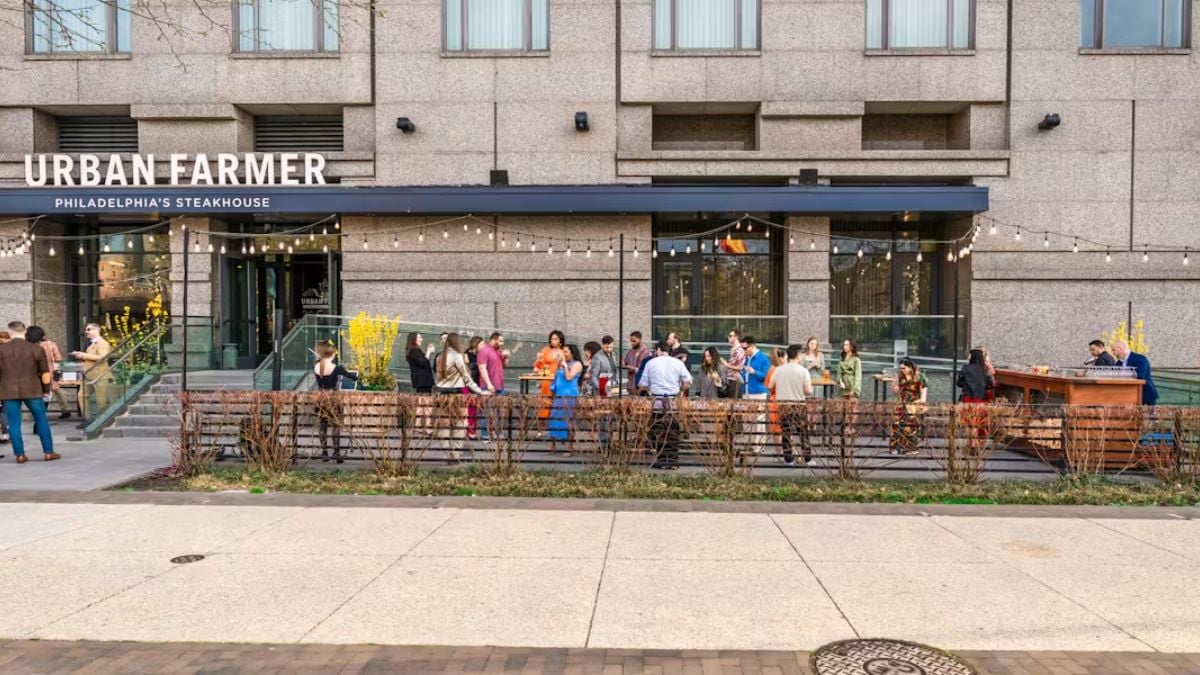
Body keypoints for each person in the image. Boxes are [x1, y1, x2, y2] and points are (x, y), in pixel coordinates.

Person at [0, 321, 57, 463]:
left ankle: (19, 455)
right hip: (33, 389)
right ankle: (48, 452)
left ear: (10, 332)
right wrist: (46, 390)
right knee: (41, 420)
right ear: (24, 332)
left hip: (8, 391)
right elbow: (45, 373)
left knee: (13, 423)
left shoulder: (2, 349)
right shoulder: (36, 349)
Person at [638, 340, 693, 469]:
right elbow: (688, 381)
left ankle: (661, 460)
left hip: (657, 402)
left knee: (659, 431)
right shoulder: (678, 363)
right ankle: (673, 461)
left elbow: (642, 384)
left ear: (658, 350)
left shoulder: (651, 363)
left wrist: (650, 388)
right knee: (673, 432)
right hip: (673, 402)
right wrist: (680, 389)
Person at [434, 332, 489, 462]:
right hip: (456, 394)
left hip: (442, 394)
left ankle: (447, 453)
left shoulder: (440, 357)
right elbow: (466, 378)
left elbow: (438, 377)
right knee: (461, 423)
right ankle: (455, 452)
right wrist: (480, 391)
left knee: (444, 424)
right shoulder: (457, 356)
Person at [313, 341, 357, 463]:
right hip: (333, 399)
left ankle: (324, 453)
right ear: (331, 354)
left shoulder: (316, 366)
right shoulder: (336, 368)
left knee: (323, 425)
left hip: (320, 398)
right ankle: (336, 453)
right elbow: (353, 377)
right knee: (335, 426)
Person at [770, 344, 814, 465]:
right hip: (799, 404)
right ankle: (808, 458)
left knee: (786, 432)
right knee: (803, 432)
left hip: (784, 405)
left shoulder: (779, 370)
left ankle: (788, 459)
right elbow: (808, 391)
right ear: (798, 355)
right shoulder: (803, 371)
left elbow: (770, 386)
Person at [26, 326, 71, 420]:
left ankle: (40, 412)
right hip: (50, 370)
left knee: (41, 391)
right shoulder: (51, 344)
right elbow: (58, 358)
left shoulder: (30, 346)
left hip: (34, 371)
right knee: (56, 389)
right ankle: (66, 409)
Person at [70, 323, 111, 421]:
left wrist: (83, 355)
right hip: (89, 375)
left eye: (89, 329)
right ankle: (87, 419)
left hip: (100, 375)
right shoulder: (92, 344)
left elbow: (102, 357)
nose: (86, 332)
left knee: (102, 400)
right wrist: (81, 356)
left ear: (97, 330)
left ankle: (103, 421)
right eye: (86, 329)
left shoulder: (103, 343)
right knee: (81, 396)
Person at [549, 344, 584, 452]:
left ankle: (570, 446)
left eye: (566, 352)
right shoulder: (562, 363)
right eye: (563, 351)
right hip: (559, 394)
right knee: (554, 417)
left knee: (568, 419)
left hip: (570, 395)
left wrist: (564, 365)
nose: (563, 354)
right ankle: (553, 444)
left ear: (572, 353)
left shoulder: (577, 364)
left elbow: (569, 377)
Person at [890, 358, 928, 456]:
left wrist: (922, 402)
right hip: (901, 403)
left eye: (904, 368)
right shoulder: (900, 376)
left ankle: (910, 447)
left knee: (910, 425)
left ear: (910, 367)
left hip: (913, 403)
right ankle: (895, 447)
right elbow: (896, 391)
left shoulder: (919, 376)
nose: (902, 370)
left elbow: (924, 390)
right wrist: (894, 386)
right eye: (900, 368)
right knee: (896, 423)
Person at [740, 336, 771, 455]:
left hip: (758, 392)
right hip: (747, 391)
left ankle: (758, 446)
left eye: (745, 348)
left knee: (759, 419)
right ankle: (749, 444)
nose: (744, 350)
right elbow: (744, 373)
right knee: (747, 419)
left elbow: (766, 376)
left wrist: (754, 372)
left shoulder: (763, 358)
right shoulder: (746, 358)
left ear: (752, 346)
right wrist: (740, 376)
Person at [957, 348, 994, 439]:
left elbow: (959, 383)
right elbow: (990, 385)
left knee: (969, 423)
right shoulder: (985, 369)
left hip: (968, 399)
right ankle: (978, 444)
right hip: (981, 400)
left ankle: (970, 443)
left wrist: (966, 384)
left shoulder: (966, 368)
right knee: (980, 424)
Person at [1111, 340, 1158, 406]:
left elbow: (1140, 376)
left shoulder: (1140, 359)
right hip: (1127, 396)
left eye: (1114, 350)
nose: (1113, 353)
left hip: (1145, 396)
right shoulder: (1119, 362)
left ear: (1120, 348)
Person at [534, 330, 566, 419]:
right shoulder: (545, 350)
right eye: (552, 339)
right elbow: (538, 365)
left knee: (558, 401)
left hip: (560, 379)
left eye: (556, 339)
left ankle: (556, 421)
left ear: (560, 340)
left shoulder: (564, 350)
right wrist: (540, 362)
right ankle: (543, 421)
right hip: (547, 379)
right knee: (545, 400)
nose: (553, 341)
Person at [463, 336, 485, 439]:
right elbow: (467, 370)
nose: (484, 346)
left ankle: (474, 431)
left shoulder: (482, 354)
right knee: (470, 408)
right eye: (482, 344)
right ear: (475, 344)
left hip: (480, 383)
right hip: (470, 384)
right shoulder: (466, 354)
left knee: (478, 409)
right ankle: (470, 431)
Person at [623, 331, 650, 395]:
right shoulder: (630, 351)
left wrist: (632, 368)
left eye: (634, 341)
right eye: (631, 341)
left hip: (639, 386)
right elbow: (625, 362)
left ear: (640, 339)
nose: (632, 343)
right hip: (630, 384)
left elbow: (644, 369)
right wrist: (623, 363)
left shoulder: (645, 352)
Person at [725, 329, 745, 398]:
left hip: (735, 381)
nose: (728, 337)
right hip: (731, 380)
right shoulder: (733, 349)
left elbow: (740, 367)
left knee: (733, 401)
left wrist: (727, 365)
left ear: (736, 337)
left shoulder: (739, 350)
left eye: (730, 336)